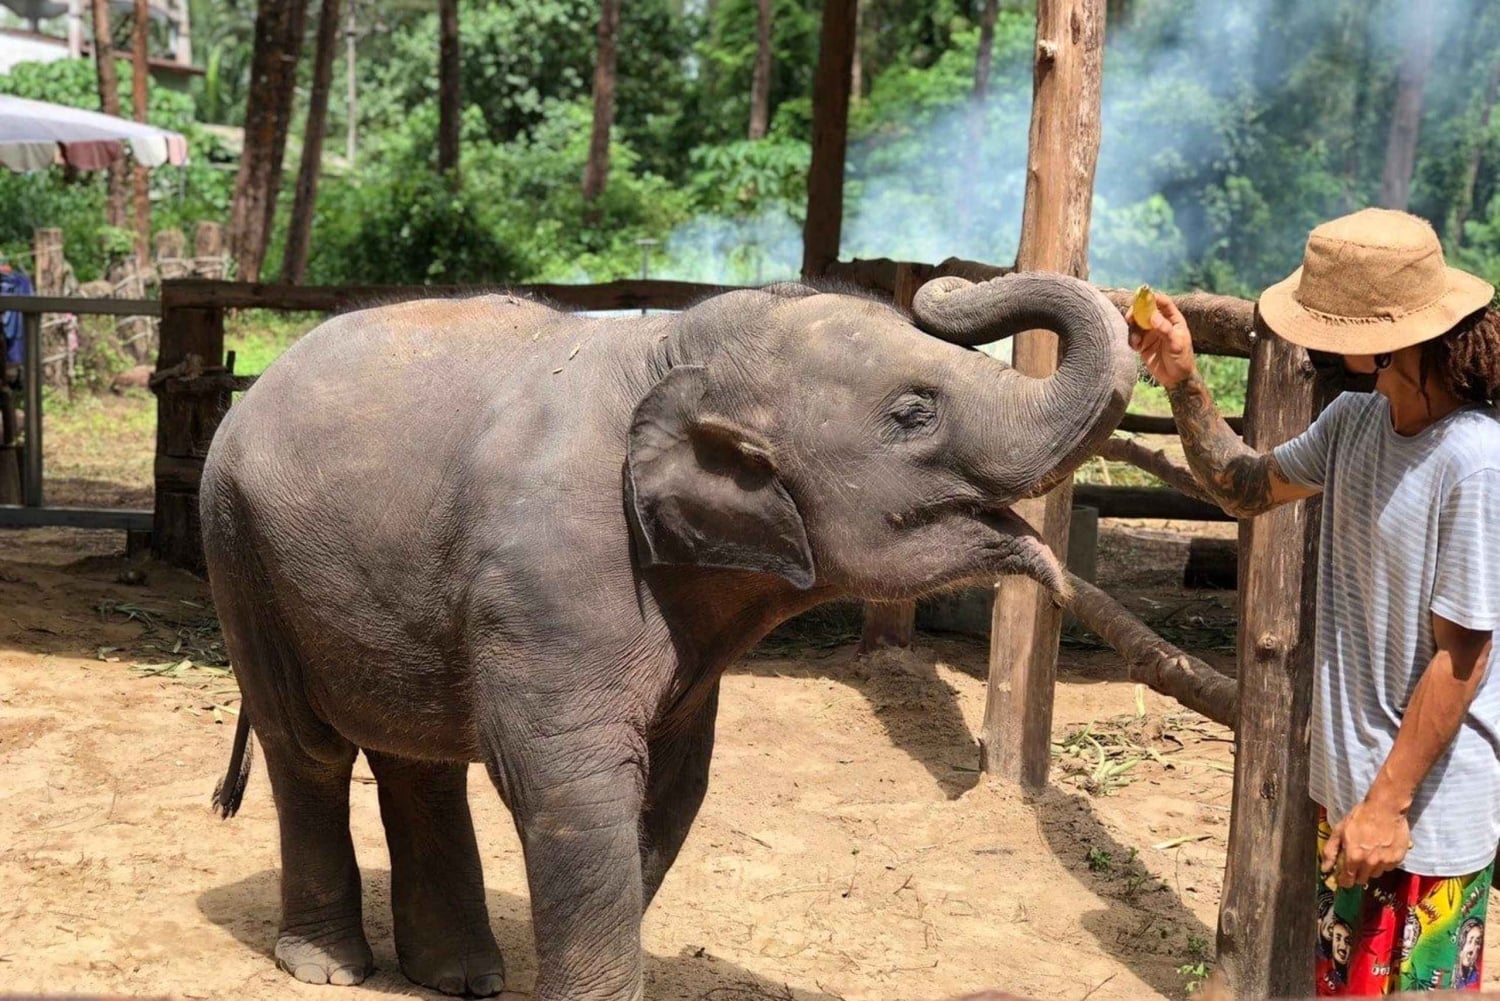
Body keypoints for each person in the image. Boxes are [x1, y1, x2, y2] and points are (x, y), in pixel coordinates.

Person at [1131, 208, 1498, 995]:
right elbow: (1241, 484)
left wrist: (1387, 809)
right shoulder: (1353, 422)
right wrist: (1184, 377)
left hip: (1418, 819)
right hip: (1353, 800)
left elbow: (1463, 656)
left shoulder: (1474, 461)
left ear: (1384, 337)